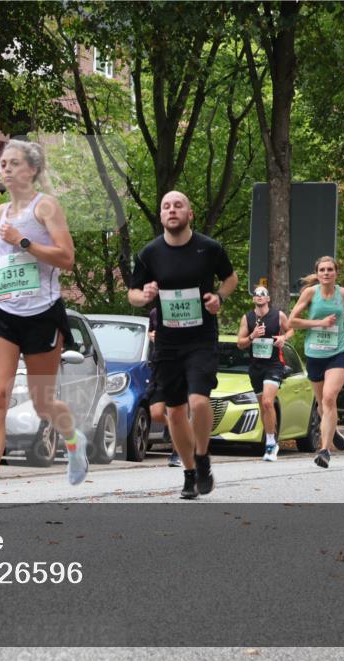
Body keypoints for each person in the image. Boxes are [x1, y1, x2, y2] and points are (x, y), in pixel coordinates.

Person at [0, 138, 86, 516]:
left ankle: (72, 439)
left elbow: (66, 258)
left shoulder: (45, 205)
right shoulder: (1, 210)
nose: (6, 168)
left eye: (14, 163)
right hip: (1, 308)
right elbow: (9, 257)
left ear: (31, 170)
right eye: (3, 163)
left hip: (41, 312)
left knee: (42, 401)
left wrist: (25, 240)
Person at [128, 191, 238, 499]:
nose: (172, 210)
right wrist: (145, 295)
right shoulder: (150, 254)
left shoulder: (209, 248)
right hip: (167, 342)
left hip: (201, 338)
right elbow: (132, 294)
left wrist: (220, 297)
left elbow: (231, 278)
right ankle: (190, 473)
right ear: (161, 216)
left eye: (178, 205)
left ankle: (202, 458)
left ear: (190, 214)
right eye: (166, 206)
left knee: (199, 401)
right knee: (174, 413)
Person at [287, 256, 344, 469]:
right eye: (322, 270)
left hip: (338, 351)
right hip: (314, 353)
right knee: (322, 403)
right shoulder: (310, 293)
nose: (326, 273)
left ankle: (324, 450)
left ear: (336, 273)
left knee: (329, 398)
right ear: (318, 273)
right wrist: (319, 323)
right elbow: (291, 321)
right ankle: (334, 431)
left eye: (330, 269)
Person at [237, 285, 293, 462]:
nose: (260, 296)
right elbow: (240, 343)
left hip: (274, 365)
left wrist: (284, 338)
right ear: (253, 299)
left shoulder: (278, 315)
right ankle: (271, 437)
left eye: (263, 294)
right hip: (256, 367)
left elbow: (291, 329)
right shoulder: (247, 318)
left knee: (268, 402)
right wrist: (252, 336)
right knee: (263, 406)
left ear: (268, 298)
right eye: (257, 294)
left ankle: (270, 443)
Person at [144, 308, 177, 466]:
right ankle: (171, 427)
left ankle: (177, 453)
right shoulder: (154, 312)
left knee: (176, 412)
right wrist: (152, 337)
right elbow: (150, 332)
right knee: (156, 414)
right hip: (158, 366)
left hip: (177, 367)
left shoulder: (182, 310)